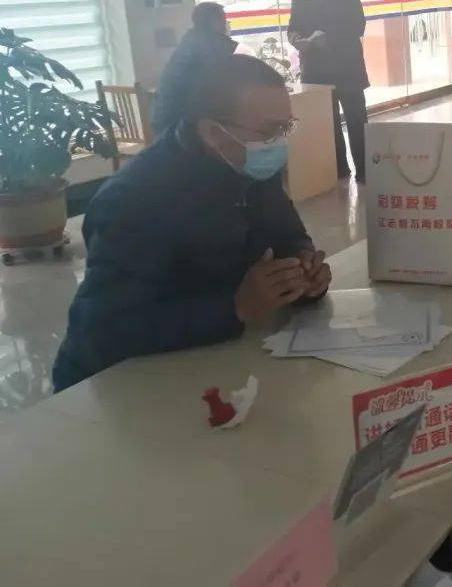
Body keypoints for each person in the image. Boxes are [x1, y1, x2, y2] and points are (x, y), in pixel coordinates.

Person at [52, 55, 331, 391]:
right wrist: (236, 307)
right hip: (116, 388)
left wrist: (304, 269)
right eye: (270, 131)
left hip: (211, 363)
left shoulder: (249, 165)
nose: (279, 143)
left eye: (286, 128)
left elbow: (288, 236)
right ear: (213, 132)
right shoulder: (134, 201)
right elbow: (105, 331)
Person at [287, 0, 370, 182]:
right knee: (326, 123)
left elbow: (358, 27)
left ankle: (365, 171)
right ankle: (338, 170)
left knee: (356, 120)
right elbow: (293, 27)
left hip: (346, 69)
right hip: (315, 70)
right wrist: (297, 40)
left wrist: (328, 38)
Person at [151, 1, 237, 136]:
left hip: (166, 118)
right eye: (222, 19)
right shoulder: (210, 44)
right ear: (212, 21)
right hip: (179, 122)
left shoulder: (191, 39)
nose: (225, 24)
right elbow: (224, 80)